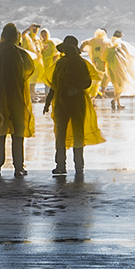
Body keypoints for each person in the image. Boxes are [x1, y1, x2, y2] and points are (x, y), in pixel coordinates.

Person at [44, 35, 104, 178]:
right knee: (75, 133)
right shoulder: (78, 63)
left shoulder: (64, 64)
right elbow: (87, 83)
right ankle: (76, 166)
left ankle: (63, 165)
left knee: (62, 134)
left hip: (64, 102)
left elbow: (54, 85)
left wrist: (49, 101)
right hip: (74, 102)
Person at [0, 22, 35, 177]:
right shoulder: (20, 52)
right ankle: (18, 166)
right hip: (16, 94)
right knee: (18, 129)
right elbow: (29, 70)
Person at [105, 30, 135, 109]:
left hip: (110, 66)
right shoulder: (121, 43)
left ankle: (118, 103)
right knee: (122, 84)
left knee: (116, 85)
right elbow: (131, 52)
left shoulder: (109, 43)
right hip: (119, 66)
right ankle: (114, 100)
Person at [82, 28, 112, 98]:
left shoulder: (93, 40)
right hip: (104, 61)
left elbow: (84, 42)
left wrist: (81, 49)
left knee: (96, 77)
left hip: (95, 60)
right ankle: (102, 92)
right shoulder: (106, 41)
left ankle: (95, 93)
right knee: (105, 77)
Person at [38, 28, 58, 92]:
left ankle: (51, 92)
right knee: (45, 78)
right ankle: (46, 93)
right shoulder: (41, 43)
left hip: (50, 63)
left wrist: (52, 61)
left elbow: (56, 53)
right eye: (43, 35)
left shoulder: (51, 43)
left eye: (45, 35)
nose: (44, 36)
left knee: (51, 78)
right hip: (43, 63)